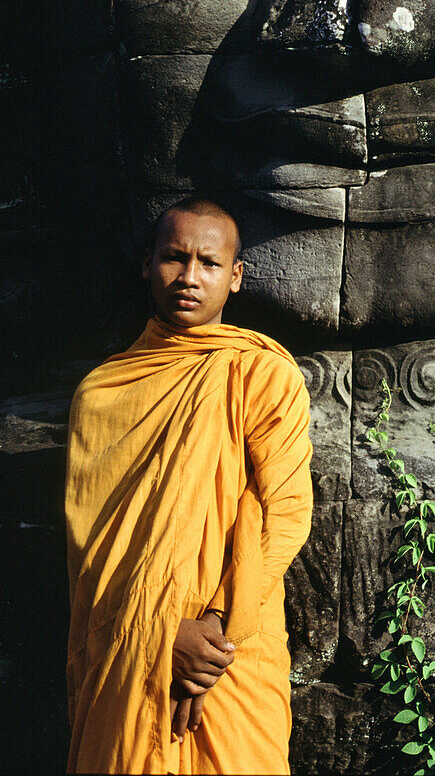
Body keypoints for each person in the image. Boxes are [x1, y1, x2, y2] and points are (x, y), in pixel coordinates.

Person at [65, 197, 313, 775]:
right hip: (129, 651)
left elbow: (286, 513)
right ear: (147, 266)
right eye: (175, 259)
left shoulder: (260, 373)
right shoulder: (103, 393)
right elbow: (91, 549)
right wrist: (158, 632)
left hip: (233, 649)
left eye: (209, 263)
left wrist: (214, 632)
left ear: (236, 277)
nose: (190, 277)